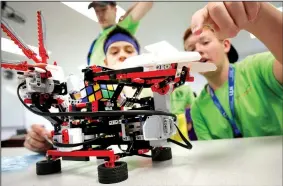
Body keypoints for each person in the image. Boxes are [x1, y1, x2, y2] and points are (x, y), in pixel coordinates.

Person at [183, 2, 282, 140]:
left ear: (225, 45)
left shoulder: (256, 68)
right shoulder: (198, 108)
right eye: (191, 49)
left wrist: (257, 16)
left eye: (205, 42)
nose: (198, 50)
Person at [87, 1, 153, 67]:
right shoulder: (96, 41)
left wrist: (126, 14)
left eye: (104, 9)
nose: (100, 15)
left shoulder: (122, 28)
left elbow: (146, 3)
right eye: (97, 11)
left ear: (114, 10)